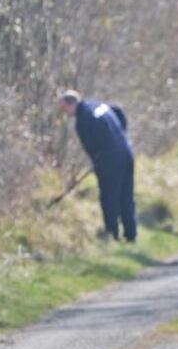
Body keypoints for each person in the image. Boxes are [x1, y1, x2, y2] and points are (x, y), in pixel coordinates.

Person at [58, 90, 137, 242]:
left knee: (109, 197)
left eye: (64, 109)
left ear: (71, 104)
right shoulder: (99, 105)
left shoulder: (83, 120)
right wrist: (121, 136)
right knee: (126, 195)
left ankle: (112, 234)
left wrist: (98, 163)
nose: (64, 113)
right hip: (126, 151)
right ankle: (131, 235)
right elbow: (119, 113)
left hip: (110, 159)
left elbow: (91, 148)